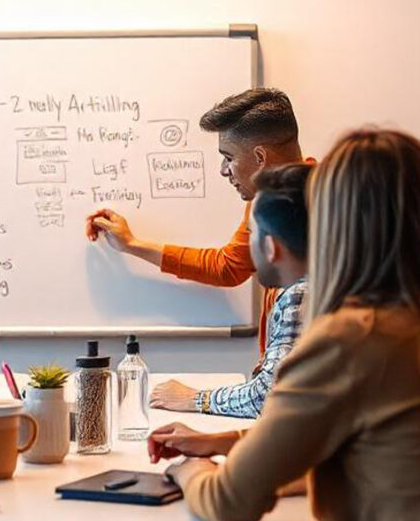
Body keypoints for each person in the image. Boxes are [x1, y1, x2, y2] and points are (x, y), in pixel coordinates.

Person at [160, 129, 420, 521]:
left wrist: (187, 469)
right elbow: (392, 450)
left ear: (333, 222)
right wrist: (230, 441)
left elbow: (228, 504)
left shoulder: (352, 338)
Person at [86, 88, 308, 360]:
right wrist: (132, 244)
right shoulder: (263, 200)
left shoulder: (330, 208)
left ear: (260, 158)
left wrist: (200, 398)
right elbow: (228, 267)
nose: (224, 170)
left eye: (229, 157)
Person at [149, 163, 311, 417]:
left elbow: (268, 398)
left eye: (252, 234)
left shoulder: (299, 296)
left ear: (271, 247)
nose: (224, 170)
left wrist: (197, 399)